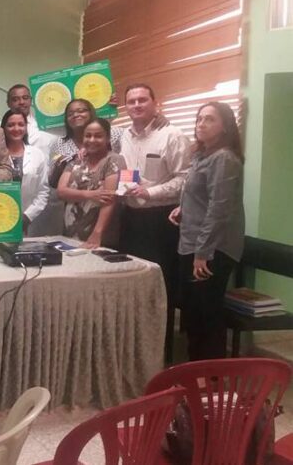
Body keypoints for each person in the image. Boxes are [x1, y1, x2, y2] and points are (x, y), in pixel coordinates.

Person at [118, 83, 190, 362]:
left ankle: (162, 355)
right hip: (130, 219)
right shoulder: (122, 136)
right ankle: (134, 352)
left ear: (155, 102)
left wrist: (150, 192)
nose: (136, 105)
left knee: (161, 289)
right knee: (132, 286)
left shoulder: (172, 135)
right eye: (131, 101)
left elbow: (184, 178)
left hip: (161, 221)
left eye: (142, 100)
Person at [169, 101, 244, 361]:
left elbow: (219, 208)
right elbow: (197, 193)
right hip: (190, 242)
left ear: (225, 127)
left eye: (210, 119)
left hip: (211, 249)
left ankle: (210, 379)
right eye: (199, 118)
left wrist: (203, 253)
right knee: (192, 312)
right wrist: (182, 209)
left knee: (206, 313)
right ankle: (195, 372)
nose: (201, 123)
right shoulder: (202, 155)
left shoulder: (224, 158)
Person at [57, 118, 125, 248]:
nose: (92, 140)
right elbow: (61, 192)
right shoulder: (76, 161)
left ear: (108, 138)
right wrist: (91, 194)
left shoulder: (114, 160)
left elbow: (109, 199)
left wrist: (97, 233)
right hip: (70, 232)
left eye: (98, 136)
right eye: (88, 135)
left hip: (99, 236)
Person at [0, 110, 49, 235]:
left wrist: (27, 216)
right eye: (11, 125)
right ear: (3, 128)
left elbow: (43, 191)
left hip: (25, 220)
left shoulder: (37, 154)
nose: (16, 128)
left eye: (21, 124)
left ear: (26, 127)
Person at [4, 84, 58, 155]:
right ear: (8, 103)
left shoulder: (46, 127)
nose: (21, 102)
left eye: (25, 98)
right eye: (15, 99)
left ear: (31, 100)